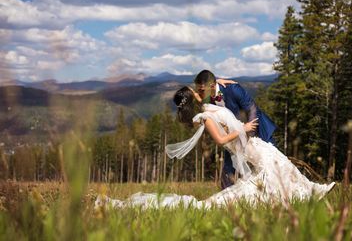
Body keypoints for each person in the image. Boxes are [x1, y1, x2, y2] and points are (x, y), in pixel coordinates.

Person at [95, 87, 335, 210]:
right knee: (274, 169)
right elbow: (221, 140)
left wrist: (227, 87)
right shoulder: (203, 118)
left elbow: (220, 102)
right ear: (190, 99)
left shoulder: (207, 109)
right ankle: (307, 195)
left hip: (252, 144)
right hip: (247, 144)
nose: (197, 92)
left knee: (281, 164)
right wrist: (244, 128)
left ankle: (312, 191)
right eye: (193, 92)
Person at [194, 70, 276, 189]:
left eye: (201, 90)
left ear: (211, 86)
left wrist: (248, 133)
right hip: (233, 137)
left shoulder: (233, 89)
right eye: (198, 90)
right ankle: (226, 200)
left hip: (258, 133)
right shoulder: (207, 96)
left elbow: (252, 109)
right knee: (228, 170)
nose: (199, 93)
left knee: (270, 167)